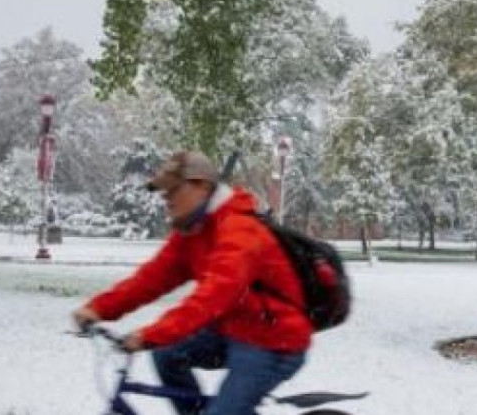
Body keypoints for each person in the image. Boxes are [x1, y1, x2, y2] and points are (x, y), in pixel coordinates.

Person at [72, 151, 310, 415]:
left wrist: (151, 334)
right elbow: (151, 279)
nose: (166, 199)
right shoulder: (192, 231)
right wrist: (98, 308)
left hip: (274, 340)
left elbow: (212, 297)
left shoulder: (240, 230)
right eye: (163, 192)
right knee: (167, 355)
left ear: (202, 186)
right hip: (233, 330)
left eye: (173, 190)